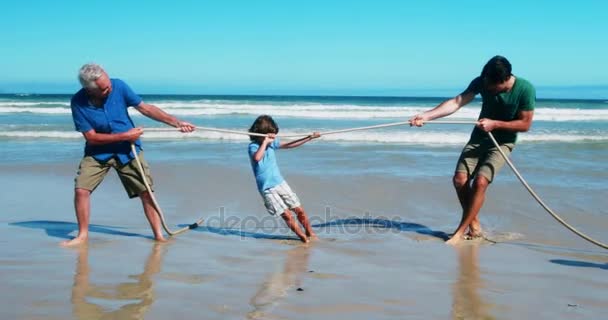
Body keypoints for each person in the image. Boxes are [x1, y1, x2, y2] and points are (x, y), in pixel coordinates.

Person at [62, 63, 195, 246]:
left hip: (128, 150)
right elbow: (91, 137)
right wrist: (124, 135)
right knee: (81, 190)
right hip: (98, 152)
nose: (110, 88)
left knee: (146, 192)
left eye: (108, 84)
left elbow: (145, 108)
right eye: (105, 88)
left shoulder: (119, 85)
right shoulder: (78, 102)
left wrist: (177, 123)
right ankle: (82, 235)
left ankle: (158, 236)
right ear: (90, 90)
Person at [410, 55, 535, 245]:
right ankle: (474, 225)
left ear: (505, 80)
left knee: (480, 182)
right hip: (479, 138)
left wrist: (495, 124)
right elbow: (457, 101)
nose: (488, 88)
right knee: (459, 180)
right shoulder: (483, 81)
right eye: (485, 82)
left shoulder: (525, 89)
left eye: (492, 85)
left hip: (503, 142)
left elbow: (525, 124)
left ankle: (460, 231)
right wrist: (427, 116)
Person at [248, 115, 320, 243]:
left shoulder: (272, 144)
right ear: (261, 134)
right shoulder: (253, 146)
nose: (273, 137)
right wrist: (265, 142)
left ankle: (310, 232)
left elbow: (289, 145)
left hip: (280, 183)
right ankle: (302, 237)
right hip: (267, 189)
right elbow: (257, 158)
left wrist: (308, 138)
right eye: (270, 135)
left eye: (274, 135)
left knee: (299, 210)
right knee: (286, 215)